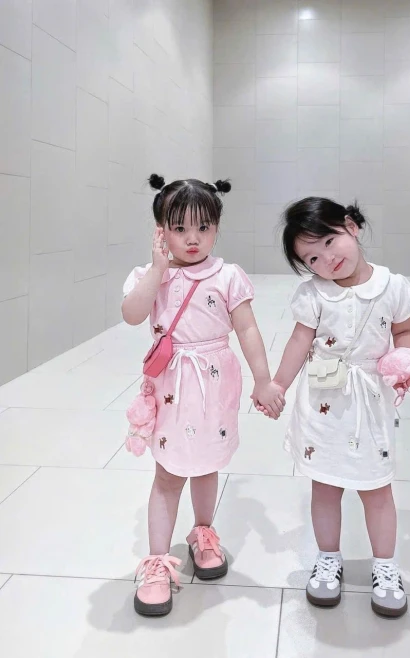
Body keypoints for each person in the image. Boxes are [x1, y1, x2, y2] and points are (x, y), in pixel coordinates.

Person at [122, 174, 284, 617]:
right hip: (172, 386)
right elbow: (132, 314)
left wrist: (263, 380)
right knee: (168, 473)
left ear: (216, 227)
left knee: (208, 463)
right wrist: (158, 270)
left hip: (214, 383)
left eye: (203, 227)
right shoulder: (149, 276)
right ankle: (157, 562)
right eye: (179, 228)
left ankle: (203, 532)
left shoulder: (227, 275)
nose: (193, 239)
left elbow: (247, 329)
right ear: (160, 231)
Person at [262, 197, 410, 617]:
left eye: (329, 242)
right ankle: (328, 557)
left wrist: (405, 360)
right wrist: (278, 384)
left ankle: (385, 566)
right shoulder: (314, 294)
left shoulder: (393, 286)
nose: (327, 259)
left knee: (377, 488)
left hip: (371, 402)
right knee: (325, 485)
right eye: (312, 257)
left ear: (351, 226)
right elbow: (300, 341)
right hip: (324, 404)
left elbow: (405, 331)